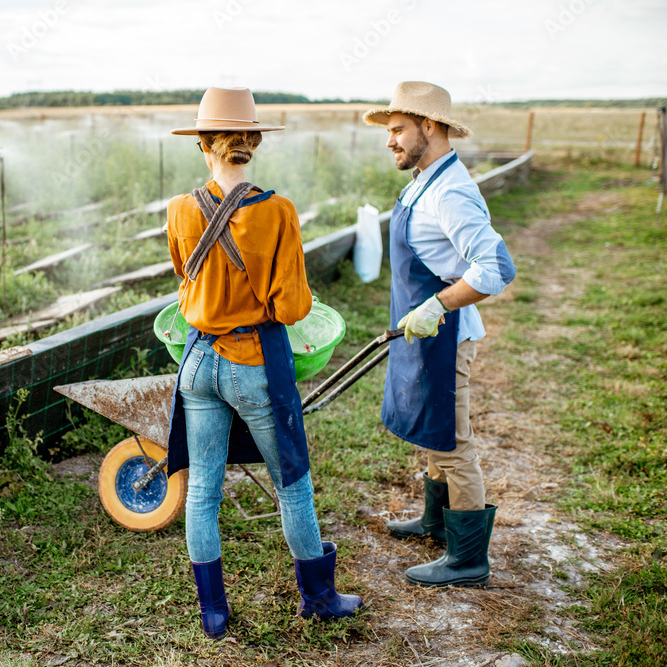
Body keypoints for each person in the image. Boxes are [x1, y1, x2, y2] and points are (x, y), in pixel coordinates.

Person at [164, 87, 361, 639]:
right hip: (254, 363)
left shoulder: (181, 210)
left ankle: (214, 612)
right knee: (292, 484)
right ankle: (319, 597)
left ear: (203, 144)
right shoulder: (276, 211)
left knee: (203, 491)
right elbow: (292, 306)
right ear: (251, 142)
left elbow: (185, 278)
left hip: (198, 361)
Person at [363, 81, 516, 587]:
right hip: (423, 332)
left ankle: (468, 557)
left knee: (453, 443)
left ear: (430, 126)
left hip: (446, 336)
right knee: (432, 430)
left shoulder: (451, 191)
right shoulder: (426, 178)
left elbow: (496, 267)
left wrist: (437, 305)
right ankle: (434, 521)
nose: (390, 141)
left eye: (398, 130)